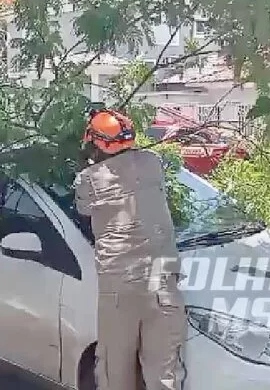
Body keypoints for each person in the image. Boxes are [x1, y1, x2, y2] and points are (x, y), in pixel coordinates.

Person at [74, 108, 186, 390]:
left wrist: (86, 164)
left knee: (115, 374)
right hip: (163, 285)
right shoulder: (153, 163)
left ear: (97, 143)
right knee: (164, 378)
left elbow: (83, 208)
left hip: (120, 290)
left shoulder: (90, 178)